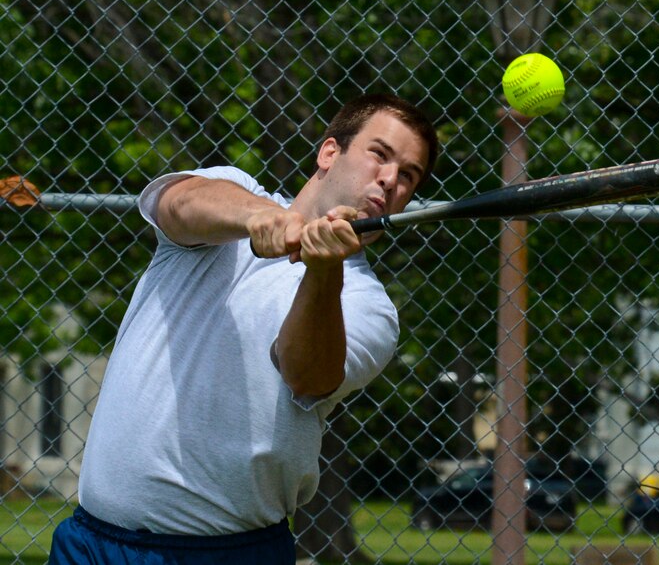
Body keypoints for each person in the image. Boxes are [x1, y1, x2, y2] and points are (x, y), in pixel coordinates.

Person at [49, 93, 439, 564]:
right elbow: (179, 204)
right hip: (90, 544)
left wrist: (322, 272)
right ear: (330, 153)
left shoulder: (368, 306)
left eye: (410, 175)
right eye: (380, 154)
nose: (391, 179)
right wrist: (263, 217)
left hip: (226, 554)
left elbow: (306, 374)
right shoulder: (230, 196)